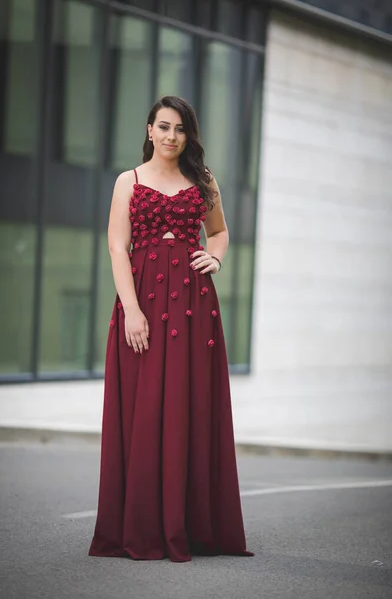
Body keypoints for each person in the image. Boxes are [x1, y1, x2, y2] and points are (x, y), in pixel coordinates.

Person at [89, 95, 253, 563]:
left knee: (190, 406)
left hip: (193, 309)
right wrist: (131, 309)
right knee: (143, 406)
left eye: (180, 129)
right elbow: (118, 248)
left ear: (189, 135)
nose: (171, 137)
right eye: (163, 127)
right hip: (142, 303)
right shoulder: (129, 180)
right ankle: (141, 526)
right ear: (148, 130)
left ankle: (192, 526)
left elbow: (219, 232)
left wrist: (215, 255)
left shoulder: (203, 181)